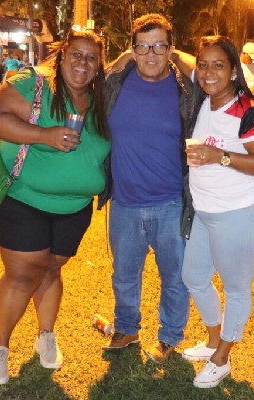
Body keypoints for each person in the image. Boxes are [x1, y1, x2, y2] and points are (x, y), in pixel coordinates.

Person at [0, 28, 110, 385]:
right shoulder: (33, 83)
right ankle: (0, 347)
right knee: (23, 275)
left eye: (92, 58)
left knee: (52, 269)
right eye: (77, 54)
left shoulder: (101, 99)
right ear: (62, 53)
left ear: (99, 65)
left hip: (76, 207)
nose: (83, 63)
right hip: (25, 199)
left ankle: (46, 335)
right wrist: (44, 135)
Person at [180, 35, 254, 388]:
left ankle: (222, 358)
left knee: (236, 289)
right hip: (206, 211)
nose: (209, 73)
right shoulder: (203, 101)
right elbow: (183, 62)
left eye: (219, 65)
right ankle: (212, 341)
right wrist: (158, 51)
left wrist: (219, 156)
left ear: (234, 71)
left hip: (240, 213)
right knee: (194, 277)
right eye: (204, 65)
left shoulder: (248, 111)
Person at [97, 13, 193, 364]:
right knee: (124, 275)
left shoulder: (186, 90)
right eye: (143, 47)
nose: (151, 55)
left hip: (171, 203)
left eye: (159, 46)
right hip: (124, 203)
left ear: (171, 48)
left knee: (176, 277)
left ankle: (169, 336)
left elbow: (225, 72)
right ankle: (126, 328)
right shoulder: (114, 84)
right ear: (132, 49)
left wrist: (172, 52)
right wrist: (124, 57)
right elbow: (87, 75)